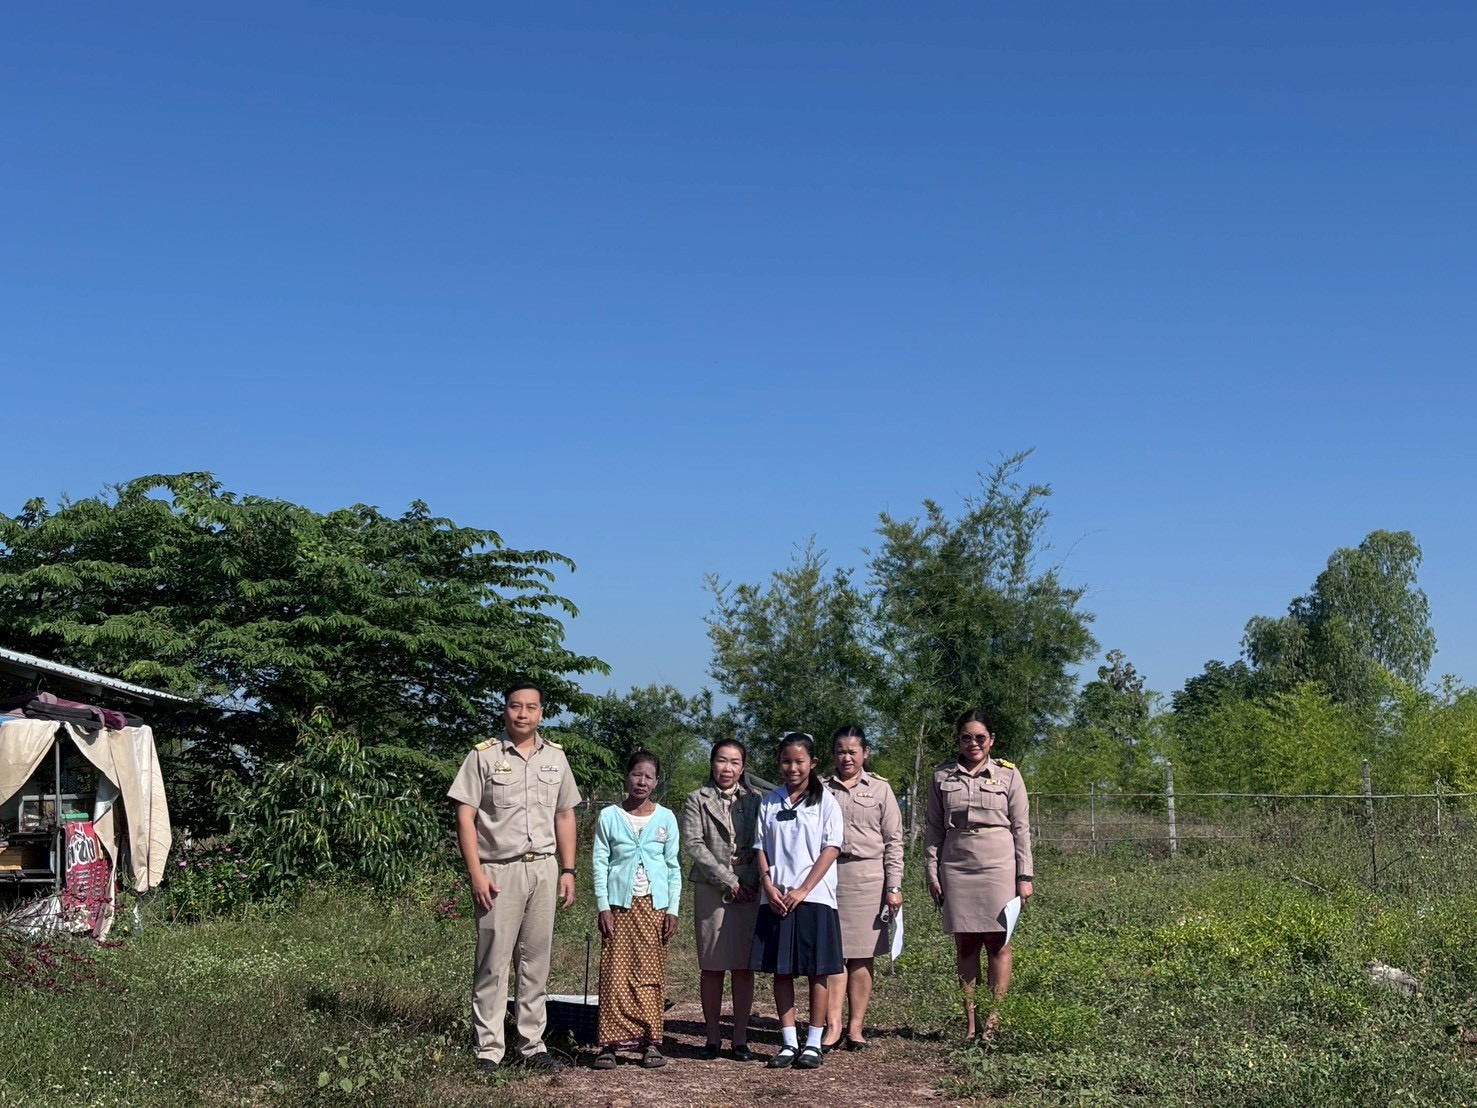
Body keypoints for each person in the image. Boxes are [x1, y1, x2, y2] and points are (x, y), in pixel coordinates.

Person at [447, 681, 579, 1075]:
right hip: (498, 871)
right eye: (515, 706)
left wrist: (568, 870)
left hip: (544, 867)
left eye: (531, 708)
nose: (523, 714)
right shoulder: (483, 756)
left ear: (542, 713)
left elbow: (565, 815)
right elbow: (465, 816)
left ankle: (532, 1045)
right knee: (494, 961)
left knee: (536, 962)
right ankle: (489, 1050)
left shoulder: (555, 757)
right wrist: (476, 873)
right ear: (505, 710)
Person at [924, 709, 1034, 1041]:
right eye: (966, 737)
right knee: (966, 943)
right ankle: (970, 1022)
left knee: (998, 942)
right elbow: (932, 829)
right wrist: (932, 871)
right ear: (958, 740)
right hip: (957, 863)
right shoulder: (942, 776)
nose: (973, 743)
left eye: (980, 737)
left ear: (992, 740)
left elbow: (1021, 828)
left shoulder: (1008, 775)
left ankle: (993, 1020)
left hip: (999, 862)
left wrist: (1025, 876)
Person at [751, 732, 845, 1071]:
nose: (793, 767)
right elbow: (760, 847)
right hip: (776, 898)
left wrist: (804, 889)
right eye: (786, 761)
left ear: (813, 763)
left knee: (817, 972)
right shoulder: (770, 801)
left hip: (815, 898)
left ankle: (813, 1043)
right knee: (782, 970)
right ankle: (789, 1042)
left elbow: (831, 848)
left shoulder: (826, 801)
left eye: (800, 761)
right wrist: (768, 885)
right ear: (779, 763)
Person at [591, 750, 681, 1070]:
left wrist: (673, 909)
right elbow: (600, 864)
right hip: (618, 906)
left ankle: (651, 1042)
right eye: (636, 775)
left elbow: (673, 868)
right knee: (614, 975)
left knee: (650, 975)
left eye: (649, 777)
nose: (641, 782)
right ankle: (609, 1045)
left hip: (654, 908)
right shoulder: (610, 817)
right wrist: (604, 907)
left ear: (656, 782)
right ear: (626, 776)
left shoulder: (666, 818)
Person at [821, 725, 903, 1052]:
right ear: (833, 755)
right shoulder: (820, 788)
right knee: (832, 955)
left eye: (853, 751)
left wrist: (893, 886)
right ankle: (832, 1026)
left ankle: (856, 1028)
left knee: (862, 956)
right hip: (828, 875)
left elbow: (894, 841)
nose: (847, 757)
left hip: (869, 876)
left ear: (865, 753)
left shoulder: (880, 789)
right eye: (841, 751)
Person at [681, 739, 763, 1061]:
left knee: (743, 967)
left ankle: (740, 1039)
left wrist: (751, 881)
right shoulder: (696, 799)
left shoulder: (756, 800)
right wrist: (729, 880)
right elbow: (694, 844)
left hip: (750, 888)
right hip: (712, 889)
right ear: (712, 763)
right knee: (712, 965)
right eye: (721, 761)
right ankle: (712, 1038)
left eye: (734, 762)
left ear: (743, 767)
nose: (727, 768)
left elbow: (762, 842)